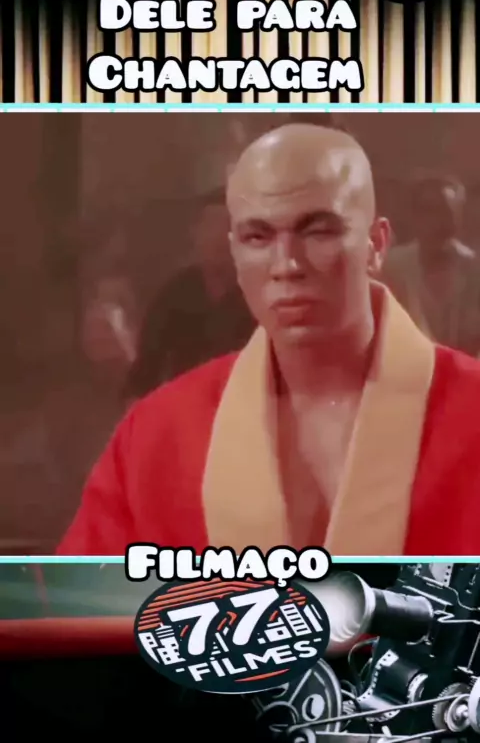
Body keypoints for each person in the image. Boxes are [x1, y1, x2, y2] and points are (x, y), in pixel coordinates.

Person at [58, 124, 480, 556]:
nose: (286, 265)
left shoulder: (470, 410)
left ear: (376, 244)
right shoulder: (157, 434)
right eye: (258, 237)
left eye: (318, 231)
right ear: (235, 250)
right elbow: (81, 594)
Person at [124, 188, 254, 399]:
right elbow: (145, 370)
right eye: (210, 226)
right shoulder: (176, 294)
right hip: (185, 404)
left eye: (226, 227)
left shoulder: (257, 295)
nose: (217, 238)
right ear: (196, 234)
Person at [382, 173, 480, 356]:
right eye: (430, 211)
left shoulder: (474, 271)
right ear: (415, 216)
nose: (439, 223)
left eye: (448, 213)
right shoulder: (393, 268)